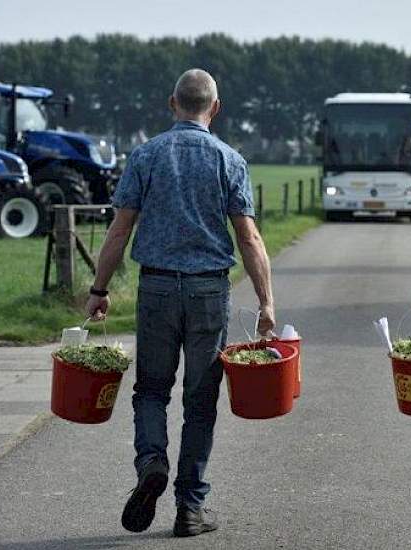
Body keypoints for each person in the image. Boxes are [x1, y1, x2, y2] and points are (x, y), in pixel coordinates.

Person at [85, 68, 275, 538]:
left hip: (156, 289)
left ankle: (151, 460)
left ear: (173, 104)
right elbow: (248, 237)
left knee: (150, 389)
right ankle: (190, 508)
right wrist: (266, 302)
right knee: (200, 399)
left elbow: (120, 229)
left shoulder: (146, 155)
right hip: (210, 291)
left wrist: (99, 289)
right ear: (215, 107)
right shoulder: (230, 160)